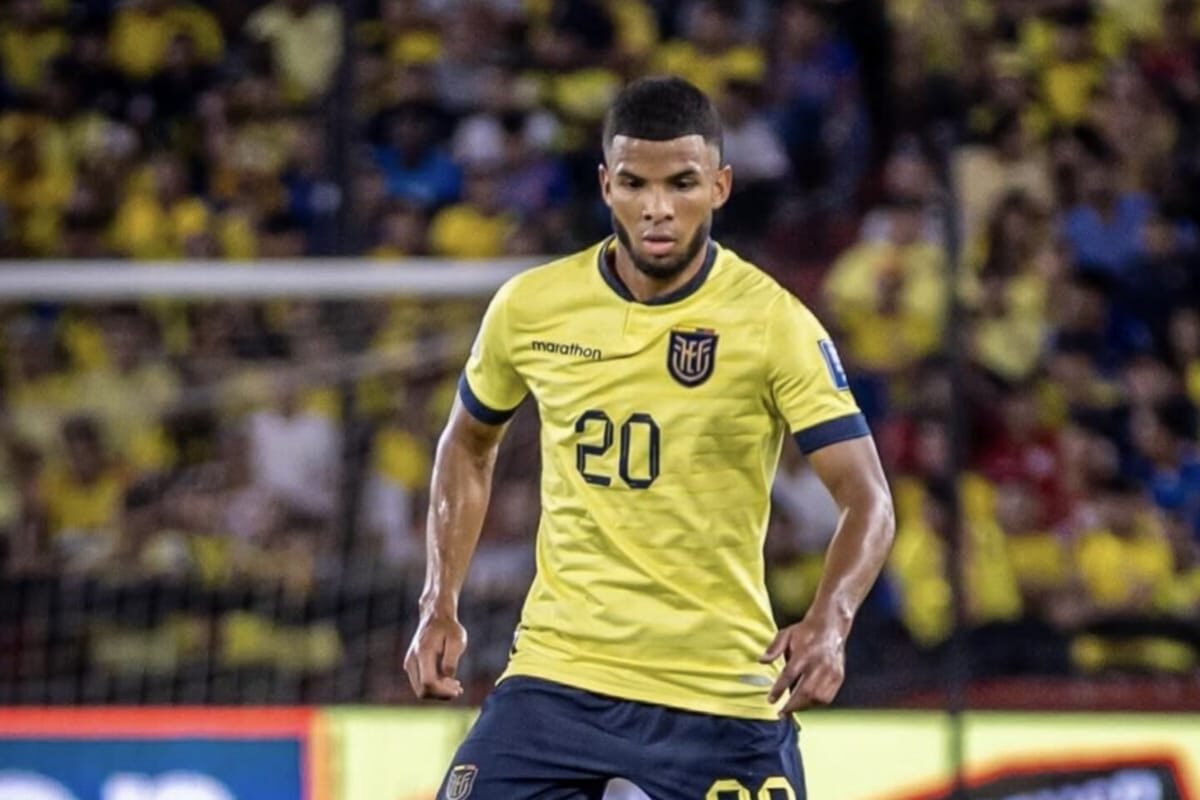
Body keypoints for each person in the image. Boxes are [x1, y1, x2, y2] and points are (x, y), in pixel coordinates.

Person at [404, 76, 895, 799]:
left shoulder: (772, 323)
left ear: (720, 187)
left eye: (682, 183)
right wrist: (438, 600)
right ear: (606, 184)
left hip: (717, 687)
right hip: (558, 675)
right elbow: (467, 443)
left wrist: (831, 619)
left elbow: (869, 499)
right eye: (635, 183)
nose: (657, 207)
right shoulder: (532, 307)